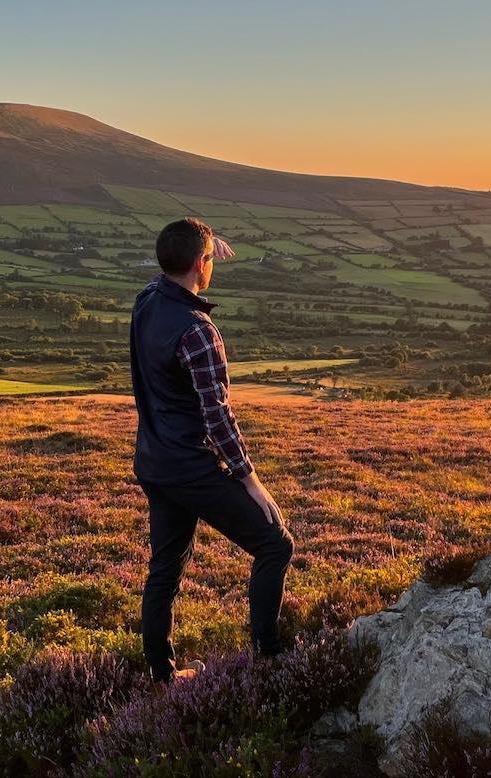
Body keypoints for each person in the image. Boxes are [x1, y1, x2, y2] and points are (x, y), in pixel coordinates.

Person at [129, 217, 294, 684]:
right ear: (202, 264)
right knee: (275, 544)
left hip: (154, 461)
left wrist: (201, 244)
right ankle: (269, 662)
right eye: (209, 259)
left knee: (164, 568)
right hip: (191, 466)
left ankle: (161, 675)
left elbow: (169, 269)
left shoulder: (147, 302)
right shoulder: (200, 332)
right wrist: (251, 481)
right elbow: (217, 417)